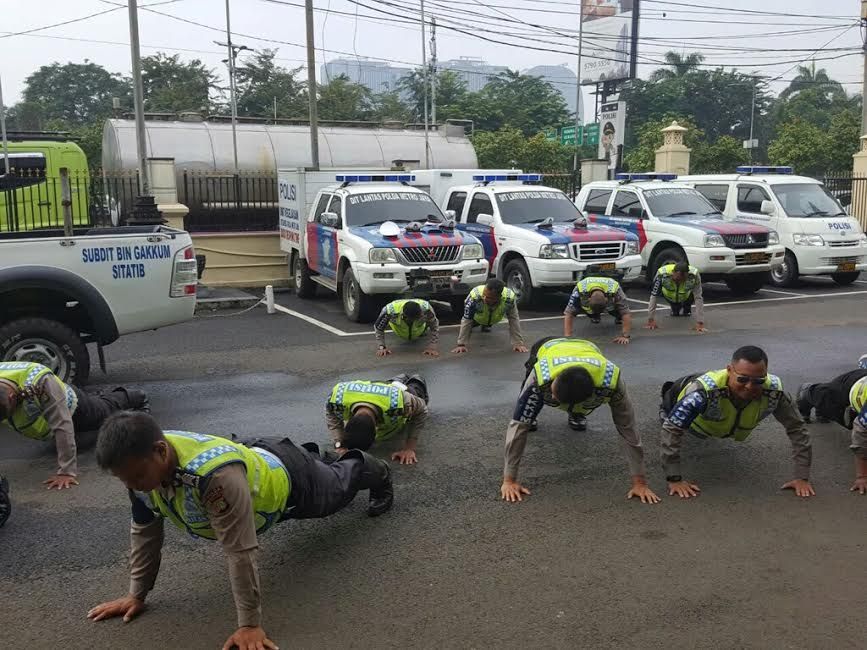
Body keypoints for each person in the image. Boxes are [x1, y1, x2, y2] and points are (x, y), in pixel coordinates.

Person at [87, 411, 393, 650]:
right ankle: (317, 457)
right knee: (319, 467)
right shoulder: (138, 468)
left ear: (160, 450)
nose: (132, 485)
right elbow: (145, 532)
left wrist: (249, 625)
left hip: (294, 482)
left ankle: (375, 469)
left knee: (339, 486)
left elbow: (240, 551)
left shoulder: (216, 479)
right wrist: (136, 594)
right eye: (123, 479)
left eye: (138, 476)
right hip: (256, 453)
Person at [500, 336, 659, 505]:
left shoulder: (612, 381)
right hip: (548, 346)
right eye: (552, 395)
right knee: (527, 414)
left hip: (588, 347)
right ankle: (541, 410)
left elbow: (628, 428)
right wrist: (509, 480)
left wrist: (640, 483)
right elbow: (518, 426)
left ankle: (576, 412)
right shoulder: (540, 375)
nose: (552, 398)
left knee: (579, 404)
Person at [659, 345, 814, 499]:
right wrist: (674, 479)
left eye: (758, 381)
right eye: (743, 379)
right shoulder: (701, 393)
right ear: (729, 369)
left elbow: (797, 429)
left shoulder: (774, 392)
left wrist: (802, 477)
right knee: (670, 418)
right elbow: (672, 429)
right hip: (679, 394)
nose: (749, 386)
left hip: (717, 417)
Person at [0, 361, 149, 490]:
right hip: (52, 423)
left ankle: (136, 396)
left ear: (12, 398)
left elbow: (62, 425)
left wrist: (66, 471)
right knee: (89, 439)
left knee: (105, 410)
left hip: (76, 409)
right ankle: (102, 413)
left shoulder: (40, 382)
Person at [796, 356, 867, 494]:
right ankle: (807, 391)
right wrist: (862, 476)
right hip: (849, 387)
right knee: (832, 407)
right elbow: (861, 433)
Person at [326, 373, 430, 465]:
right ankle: (398, 379)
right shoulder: (336, 399)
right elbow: (331, 415)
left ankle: (415, 379)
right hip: (379, 388)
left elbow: (422, 410)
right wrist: (339, 444)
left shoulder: (402, 401)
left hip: (401, 392)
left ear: (377, 428)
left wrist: (409, 448)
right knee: (393, 383)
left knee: (415, 389)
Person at [452, 278, 528, 355]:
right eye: (484, 295)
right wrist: (461, 344)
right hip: (477, 317)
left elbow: (514, 318)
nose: (484, 298)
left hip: (494, 317)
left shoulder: (509, 298)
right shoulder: (475, 296)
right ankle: (479, 324)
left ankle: (487, 324)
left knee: (490, 319)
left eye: (488, 297)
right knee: (469, 324)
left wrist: (518, 343)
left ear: (499, 297)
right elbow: (467, 319)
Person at [563, 276, 632, 345]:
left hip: (610, 300)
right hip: (588, 300)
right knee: (581, 306)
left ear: (606, 299)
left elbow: (625, 312)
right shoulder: (579, 290)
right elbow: (569, 313)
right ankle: (594, 315)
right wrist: (568, 337)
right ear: (588, 299)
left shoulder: (616, 290)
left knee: (619, 310)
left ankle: (618, 317)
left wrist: (625, 336)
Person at [645, 261, 707, 333]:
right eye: (677, 279)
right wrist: (650, 320)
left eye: (682, 280)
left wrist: (700, 322)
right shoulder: (661, 274)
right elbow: (654, 296)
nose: (679, 282)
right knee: (675, 312)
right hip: (669, 295)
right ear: (673, 272)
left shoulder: (694, 275)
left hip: (685, 296)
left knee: (687, 310)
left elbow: (698, 297)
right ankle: (675, 307)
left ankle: (687, 308)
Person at [373, 298, 440, 357]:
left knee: (429, 321)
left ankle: (422, 331)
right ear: (404, 316)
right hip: (399, 330)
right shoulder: (389, 311)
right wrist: (382, 347)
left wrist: (432, 345)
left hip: (419, 329)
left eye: (419, 317)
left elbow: (434, 325)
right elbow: (379, 328)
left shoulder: (427, 309)